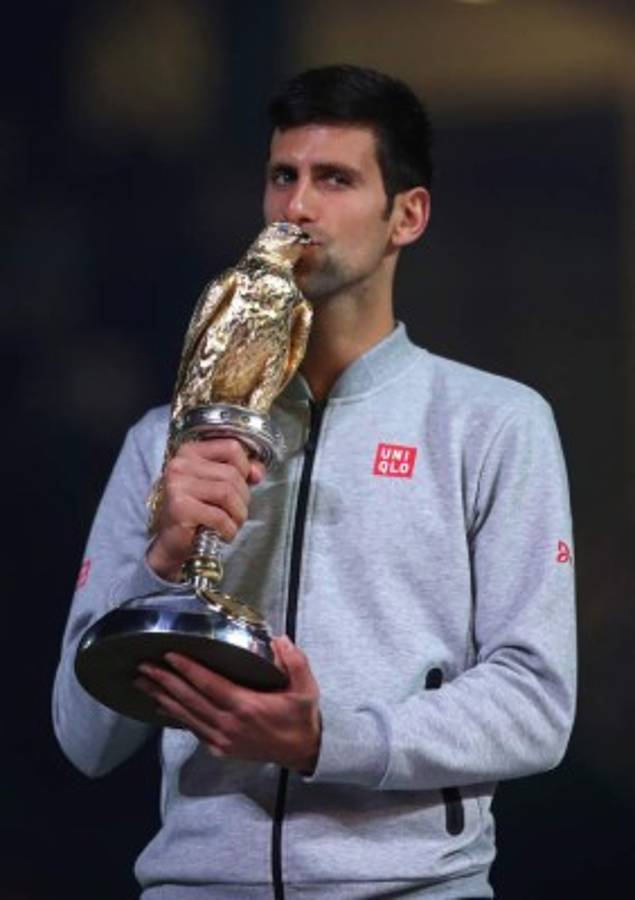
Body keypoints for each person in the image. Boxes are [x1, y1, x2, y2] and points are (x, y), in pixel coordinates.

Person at [53, 65, 576, 899]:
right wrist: (156, 567)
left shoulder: (492, 424)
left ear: (407, 214)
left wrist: (325, 740)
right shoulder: (167, 439)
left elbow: (535, 706)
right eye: (281, 176)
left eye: (334, 179)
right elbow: (83, 738)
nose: (296, 206)